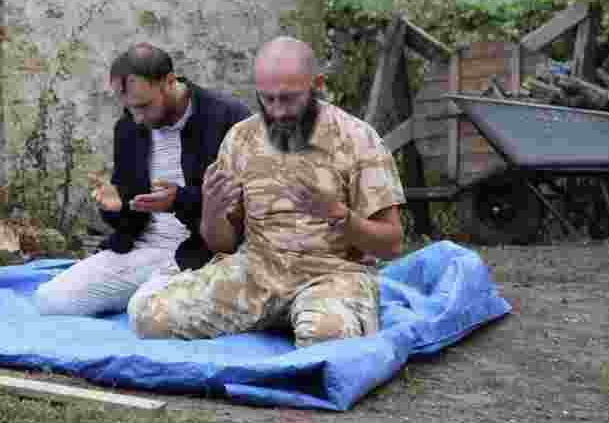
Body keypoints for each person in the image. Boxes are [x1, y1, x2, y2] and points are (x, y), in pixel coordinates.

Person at [127, 36, 407, 348]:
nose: (277, 111)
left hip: (333, 275)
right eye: (267, 99)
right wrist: (212, 213)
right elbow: (224, 243)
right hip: (257, 272)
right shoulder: (241, 138)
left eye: (289, 99)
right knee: (148, 315)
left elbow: (392, 244)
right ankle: (276, 317)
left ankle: (308, 317)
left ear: (317, 84)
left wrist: (341, 217)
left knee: (326, 337)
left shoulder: (358, 139)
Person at [35, 43, 252, 317]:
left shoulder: (228, 118)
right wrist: (117, 207)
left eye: (144, 106)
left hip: (202, 253)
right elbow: (130, 220)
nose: (137, 118)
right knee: (50, 300)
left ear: (169, 82)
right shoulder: (129, 127)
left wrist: (178, 200)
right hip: (141, 250)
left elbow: (243, 204)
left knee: (145, 311)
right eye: (129, 108)